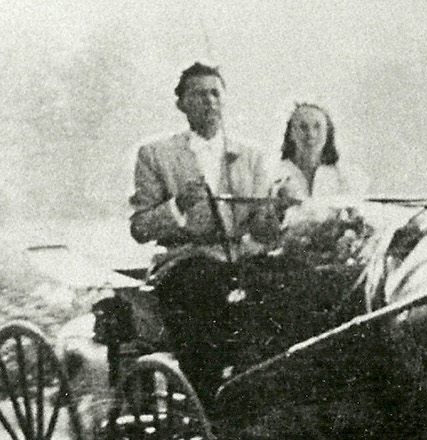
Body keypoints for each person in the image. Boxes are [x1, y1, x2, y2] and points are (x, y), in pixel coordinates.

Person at [127, 61, 277, 400]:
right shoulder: (155, 153)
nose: (209, 101)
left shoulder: (250, 155)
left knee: (285, 279)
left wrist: (274, 212)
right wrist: (177, 205)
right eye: (198, 94)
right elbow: (139, 227)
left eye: (215, 93)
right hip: (185, 263)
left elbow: (264, 231)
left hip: (239, 259)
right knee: (204, 285)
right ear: (181, 103)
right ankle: (210, 397)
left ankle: (268, 386)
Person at [274, 103, 369, 199]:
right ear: (291, 133)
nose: (311, 134)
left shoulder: (347, 176)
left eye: (317, 126)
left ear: (327, 132)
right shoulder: (274, 174)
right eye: (303, 127)